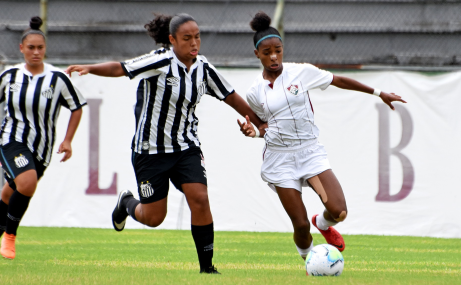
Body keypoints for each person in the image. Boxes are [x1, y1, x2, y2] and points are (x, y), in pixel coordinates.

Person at [65, 13, 265, 274]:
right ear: (172, 40)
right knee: (154, 218)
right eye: (187, 38)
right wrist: (90, 68)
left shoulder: (203, 68)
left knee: (200, 199)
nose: (194, 43)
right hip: (150, 152)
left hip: (186, 148)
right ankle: (126, 203)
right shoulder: (159, 60)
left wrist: (260, 123)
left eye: (197, 37)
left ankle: (207, 268)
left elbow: (230, 97)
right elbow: (121, 68)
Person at [237, 12, 406, 260]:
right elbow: (265, 126)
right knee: (301, 225)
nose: (274, 56)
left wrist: (379, 92)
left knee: (339, 212)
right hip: (280, 160)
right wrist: (253, 133)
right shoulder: (254, 92)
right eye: (267, 52)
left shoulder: (300, 72)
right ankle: (310, 262)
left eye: (278, 50)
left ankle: (324, 224)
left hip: (309, 153)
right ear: (257, 54)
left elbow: (338, 80)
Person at [0, 17, 86, 259]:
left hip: (42, 150)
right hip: (11, 140)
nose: (36, 52)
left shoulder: (57, 78)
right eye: (31, 48)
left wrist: (68, 140)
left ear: (45, 49)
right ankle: (10, 237)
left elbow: (77, 106)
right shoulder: (10, 76)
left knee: (9, 194)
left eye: (40, 48)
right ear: (21, 49)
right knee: (27, 184)